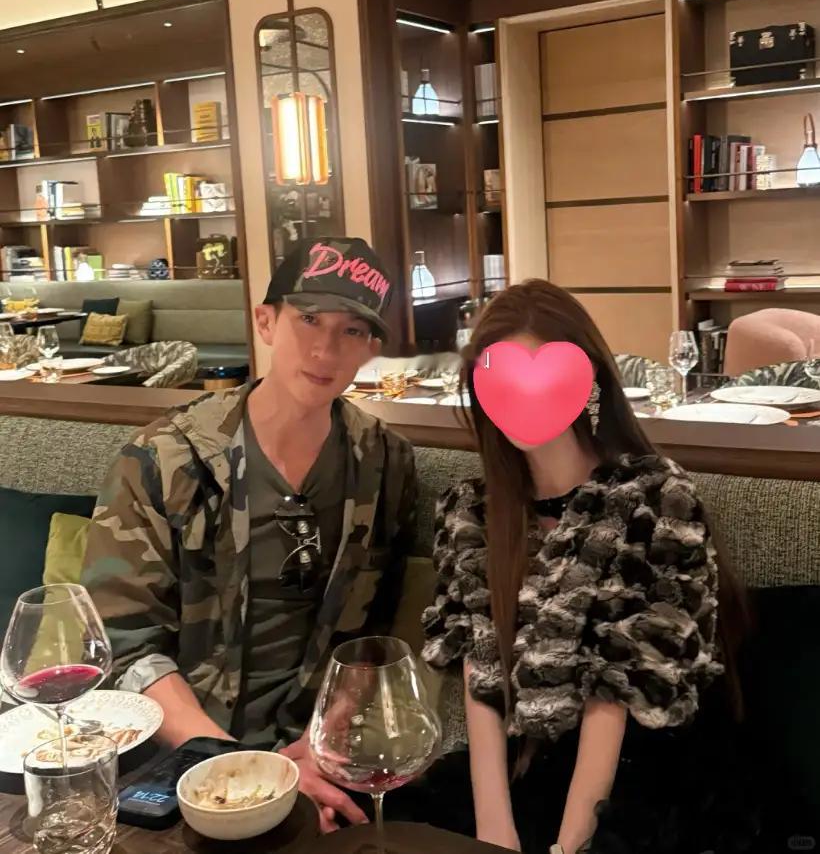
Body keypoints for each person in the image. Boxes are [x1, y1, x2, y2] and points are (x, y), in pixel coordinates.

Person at [81, 236, 417, 833]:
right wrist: (244, 769)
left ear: (371, 348)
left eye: (352, 330)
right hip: (181, 753)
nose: (325, 349)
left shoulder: (385, 462)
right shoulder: (164, 459)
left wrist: (322, 742)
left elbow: (375, 633)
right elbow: (123, 645)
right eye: (308, 319)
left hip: (321, 752)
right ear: (265, 322)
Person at [417, 279, 757, 854]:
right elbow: (481, 670)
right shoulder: (470, 510)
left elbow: (618, 685)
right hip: (528, 764)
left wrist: (569, 843)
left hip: (640, 765)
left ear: (589, 381)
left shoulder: (654, 496)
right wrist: (492, 828)